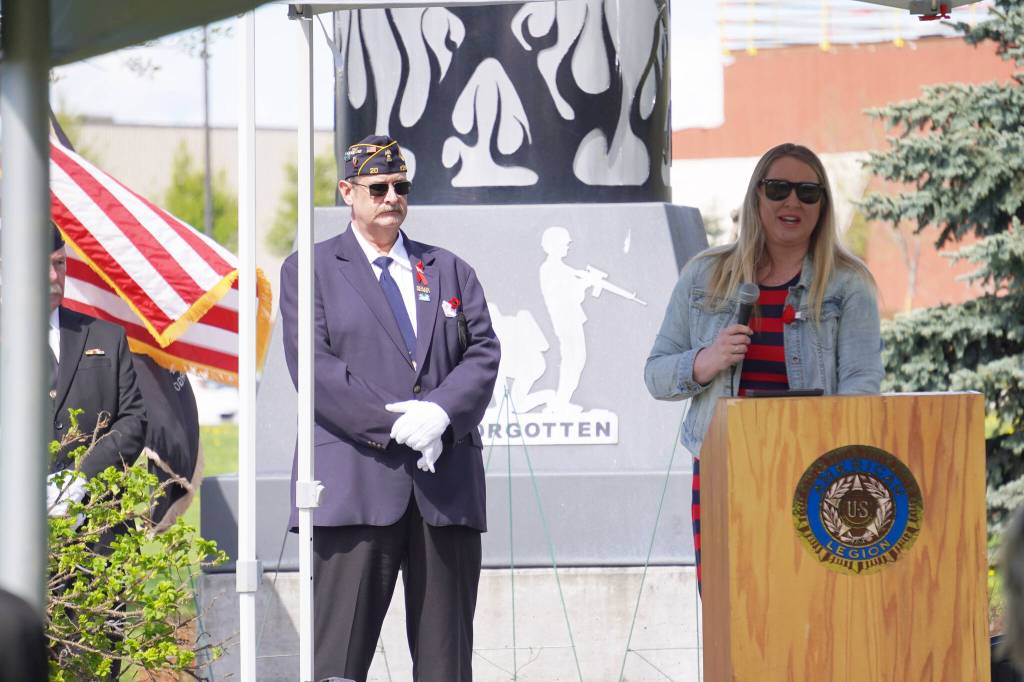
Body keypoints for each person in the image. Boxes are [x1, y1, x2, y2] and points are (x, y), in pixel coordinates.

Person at [279, 134, 500, 682]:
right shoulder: (312, 269)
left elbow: (483, 352)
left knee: (445, 664)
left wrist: (441, 415)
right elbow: (317, 370)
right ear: (347, 192)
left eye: (401, 186)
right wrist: (402, 424)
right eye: (378, 187)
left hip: (442, 487)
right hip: (356, 486)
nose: (391, 197)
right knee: (339, 662)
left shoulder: (448, 269)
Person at [644, 142, 883, 590]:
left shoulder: (849, 285)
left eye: (807, 193)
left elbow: (861, 388)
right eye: (778, 189)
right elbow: (655, 374)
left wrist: (825, 454)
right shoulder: (705, 275)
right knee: (726, 609)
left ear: (822, 206)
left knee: (806, 605)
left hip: (817, 476)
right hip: (724, 467)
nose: (792, 201)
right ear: (757, 198)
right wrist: (707, 360)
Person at [47, 224, 147, 514]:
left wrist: (79, 480)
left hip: (99, 526)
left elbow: (133, 421)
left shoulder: (105, 336)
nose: (55, 276)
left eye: (60, 263)